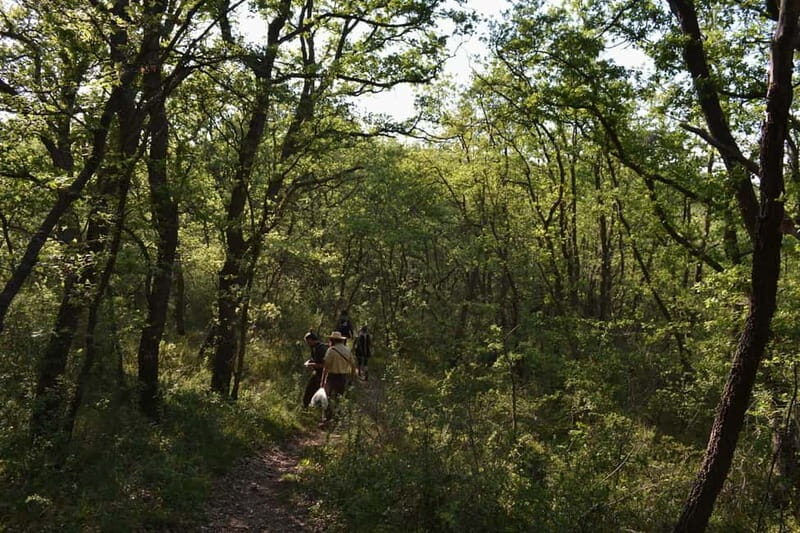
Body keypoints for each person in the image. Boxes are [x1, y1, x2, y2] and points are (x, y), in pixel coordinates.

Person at [320, 330, 356, 425]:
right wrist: (351, 379)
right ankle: (338, 419)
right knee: (339, 398)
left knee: (327, 397)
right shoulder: (347, 350)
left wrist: (323, 381)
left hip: (332, 377)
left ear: (332, 340)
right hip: (343, 377)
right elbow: (353, 366)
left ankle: (327, 419)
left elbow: (325, 367)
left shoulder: (331, 351)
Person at [302, 331, 328, 408]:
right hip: (318, 374)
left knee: (309, 394)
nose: (307, 344)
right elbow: (316, 360)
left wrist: (310, 365)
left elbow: (323, 365)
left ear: (311, 339)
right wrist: (310, 361)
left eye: (308, 342)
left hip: (321, 375)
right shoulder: (316, 348)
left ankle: (306, 409)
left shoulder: (320, 349)